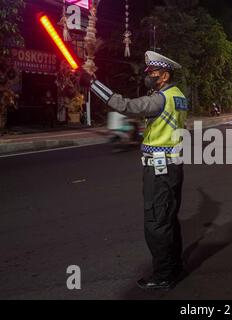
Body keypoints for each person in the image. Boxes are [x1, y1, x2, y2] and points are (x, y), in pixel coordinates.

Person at [80, 51, 187, 290]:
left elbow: (126, 106)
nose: (148, 76)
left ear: (165, 75)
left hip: (159, 169)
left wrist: (93, 83)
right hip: (173, 167)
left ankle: (162, 275)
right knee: (169, 219)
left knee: (156, 223)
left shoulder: (160, 99)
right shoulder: (178, 96)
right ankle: (174, 266)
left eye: (153, 73)